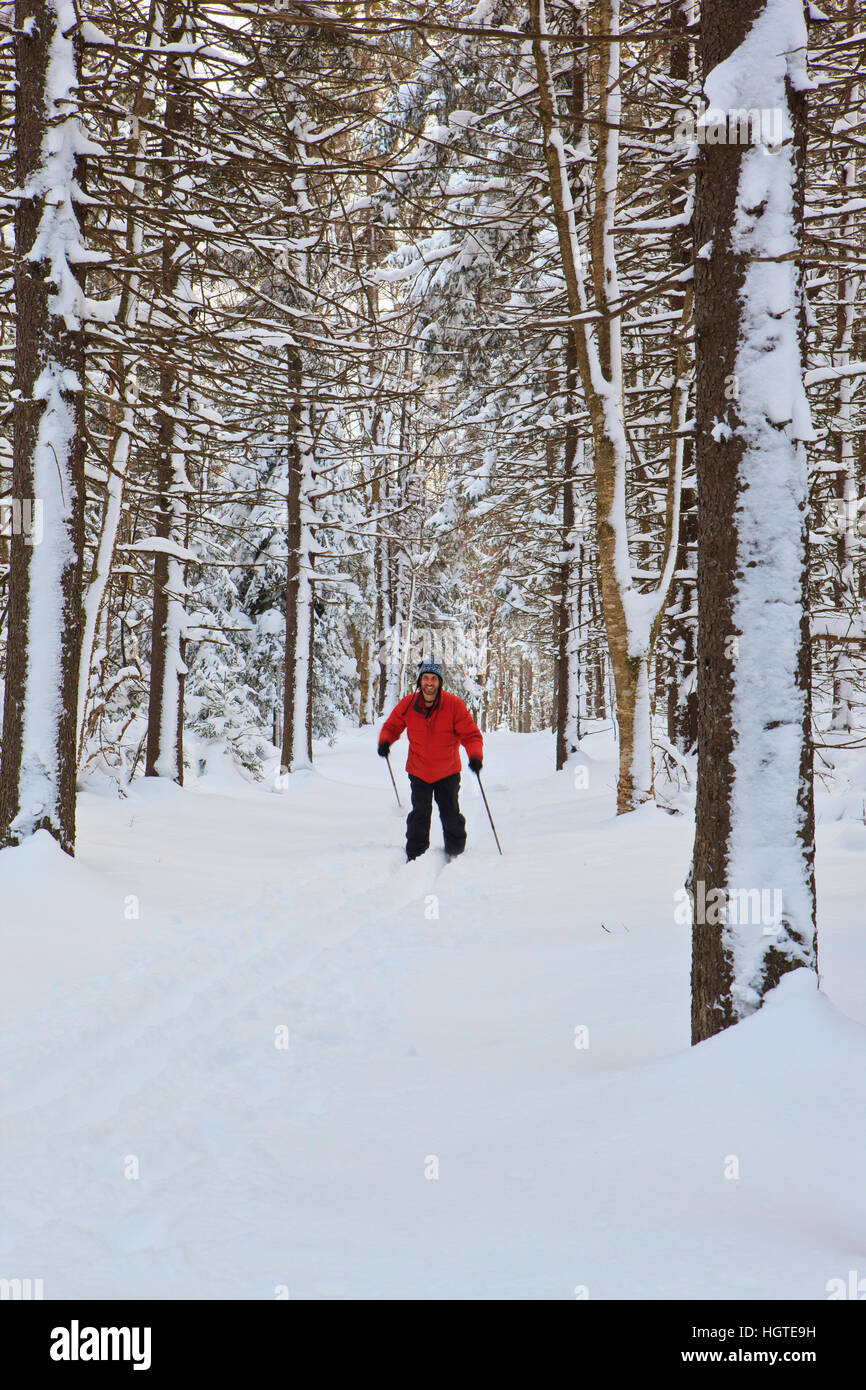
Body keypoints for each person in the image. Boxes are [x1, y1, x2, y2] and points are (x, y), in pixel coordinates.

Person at [378, 661, 484, 861]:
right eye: (426, 678)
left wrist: (475, 756)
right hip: (419, 770)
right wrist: (385, 741)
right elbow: (392, 726)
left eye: (434, 679)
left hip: (448, 770)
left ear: (440, 682)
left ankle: (456, 853)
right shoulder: (408, 704)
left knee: (451, 814)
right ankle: (415, 855)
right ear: (420, 681)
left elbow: (471, 735)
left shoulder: (454, 705)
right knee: (419, 815)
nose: (429, 682)